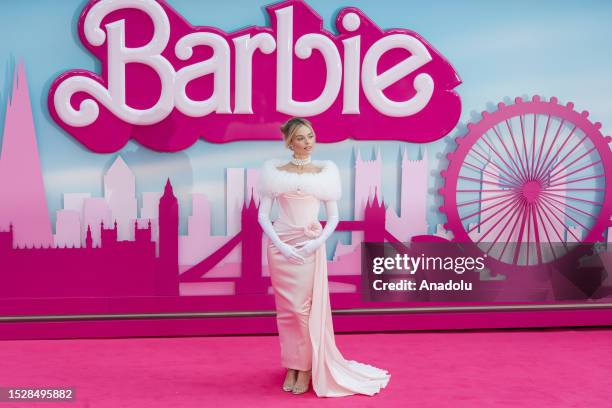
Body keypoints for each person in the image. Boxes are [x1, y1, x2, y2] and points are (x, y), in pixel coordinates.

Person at [257, 117, 391, 397]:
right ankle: (291, 364)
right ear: (289, 142)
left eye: (311, 136)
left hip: (308, 244)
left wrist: (315, 243)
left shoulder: (325, 173)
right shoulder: (274, 173)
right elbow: (262, 215)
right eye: (301, 138)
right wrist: (280, 245)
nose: (308, 143)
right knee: (286, 311)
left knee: (302, 310)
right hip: (281, 246)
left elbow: (333, 217)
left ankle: (305, 367)